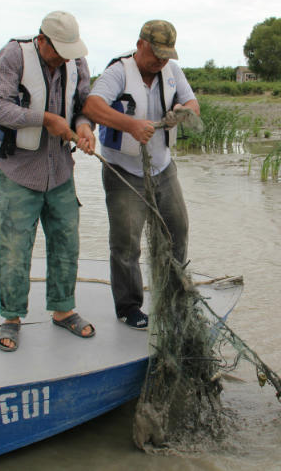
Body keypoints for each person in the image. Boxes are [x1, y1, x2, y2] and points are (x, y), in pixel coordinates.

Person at [0, 10, 97, 351]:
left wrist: (83, 127)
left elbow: (82, 106)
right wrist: (45, 119)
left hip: (61, 171)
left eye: (70, 50)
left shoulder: (76, 62)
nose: (65, 56)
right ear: (41, 40)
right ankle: (11, 317)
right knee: (15, 248)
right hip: (18, 172)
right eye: (58, 49)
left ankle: (63, 311)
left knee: (66, 242)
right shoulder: (13, 56)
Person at [82, 19, 200, 330]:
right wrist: (131, 124)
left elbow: (193, 104)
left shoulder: (172, 72)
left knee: (179, 231)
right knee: (126, 244)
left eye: (166, 55)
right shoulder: (118, 72)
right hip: (123, 172)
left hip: (163, 168)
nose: (161, 61)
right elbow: (92, 107)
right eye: (156, 54)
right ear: (140, 45)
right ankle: (128, 306)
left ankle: (173, 295)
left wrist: (182, 112)